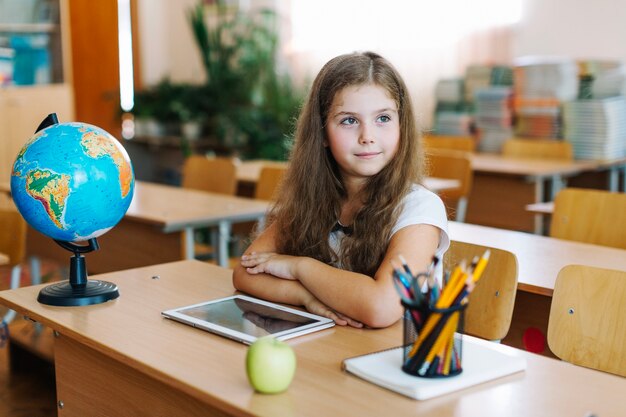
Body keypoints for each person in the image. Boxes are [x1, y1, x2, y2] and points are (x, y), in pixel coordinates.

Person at [232, 51, 449, 328]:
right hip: (338, 350)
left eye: (383, 118)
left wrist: (300, 267)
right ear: (322, 133)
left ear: (402, 125)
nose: (367, 136)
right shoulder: (311, 200)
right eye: (349, 120)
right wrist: (304, 296)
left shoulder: (419, 208)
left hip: (399, 360)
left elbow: (381, 307)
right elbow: (245, 272)